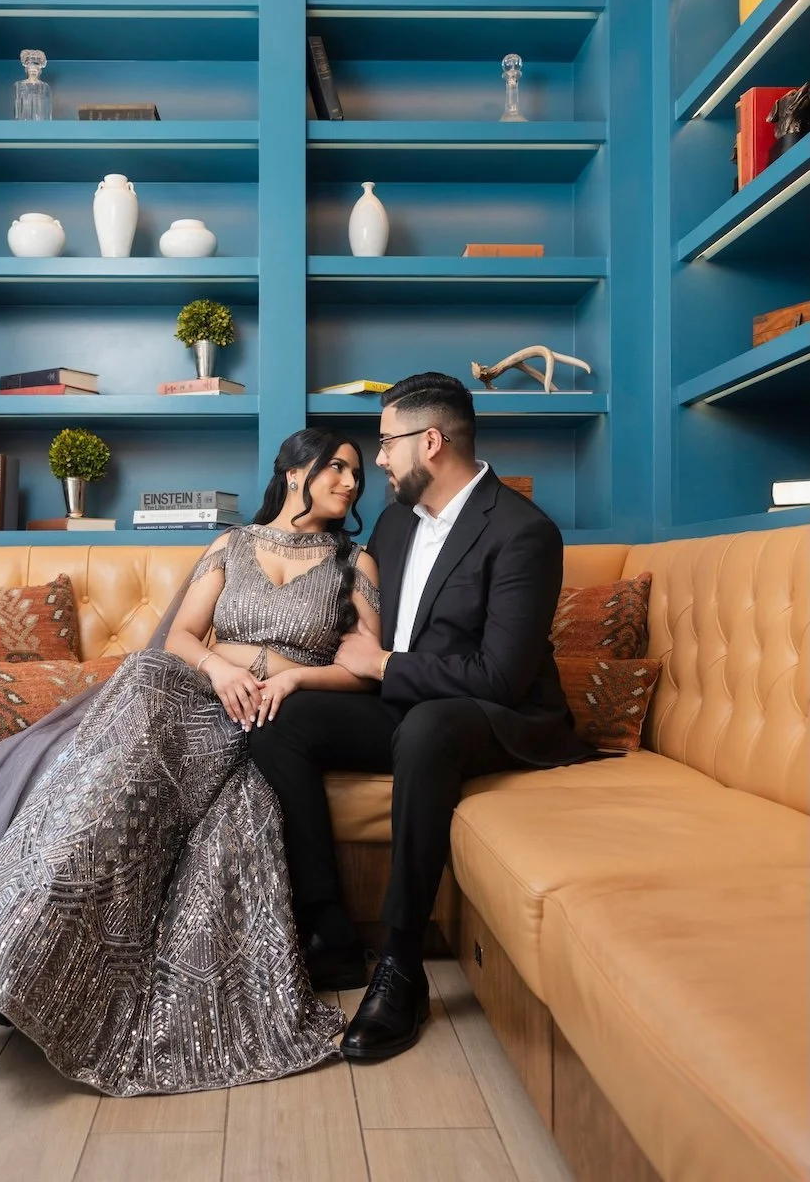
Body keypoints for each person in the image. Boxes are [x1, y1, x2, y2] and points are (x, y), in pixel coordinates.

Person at [0, 429, 382, 1096]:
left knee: (220, 802)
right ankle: (19, 952)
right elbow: (181, 635)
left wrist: (293, 678)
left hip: (274, 714)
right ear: (295, 472)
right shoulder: (229, 546)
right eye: (337, 468)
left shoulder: (355, 562)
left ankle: (65, 982)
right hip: (201, 693)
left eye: (357, 472)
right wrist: (217, 667)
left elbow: (363, 669)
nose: (351, 483)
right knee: (143, 686)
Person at [250, 373, 595, 1061]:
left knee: (429, 726)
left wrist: (383, 665)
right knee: (282, 717)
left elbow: (500, 676)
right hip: (406, 708)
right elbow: (353, 620)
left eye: (385, 443)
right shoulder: (395, 521)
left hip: (497, 716)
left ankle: (401, 967)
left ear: (430, 442)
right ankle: (331, 932)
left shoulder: (524, 532)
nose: (376, 460)